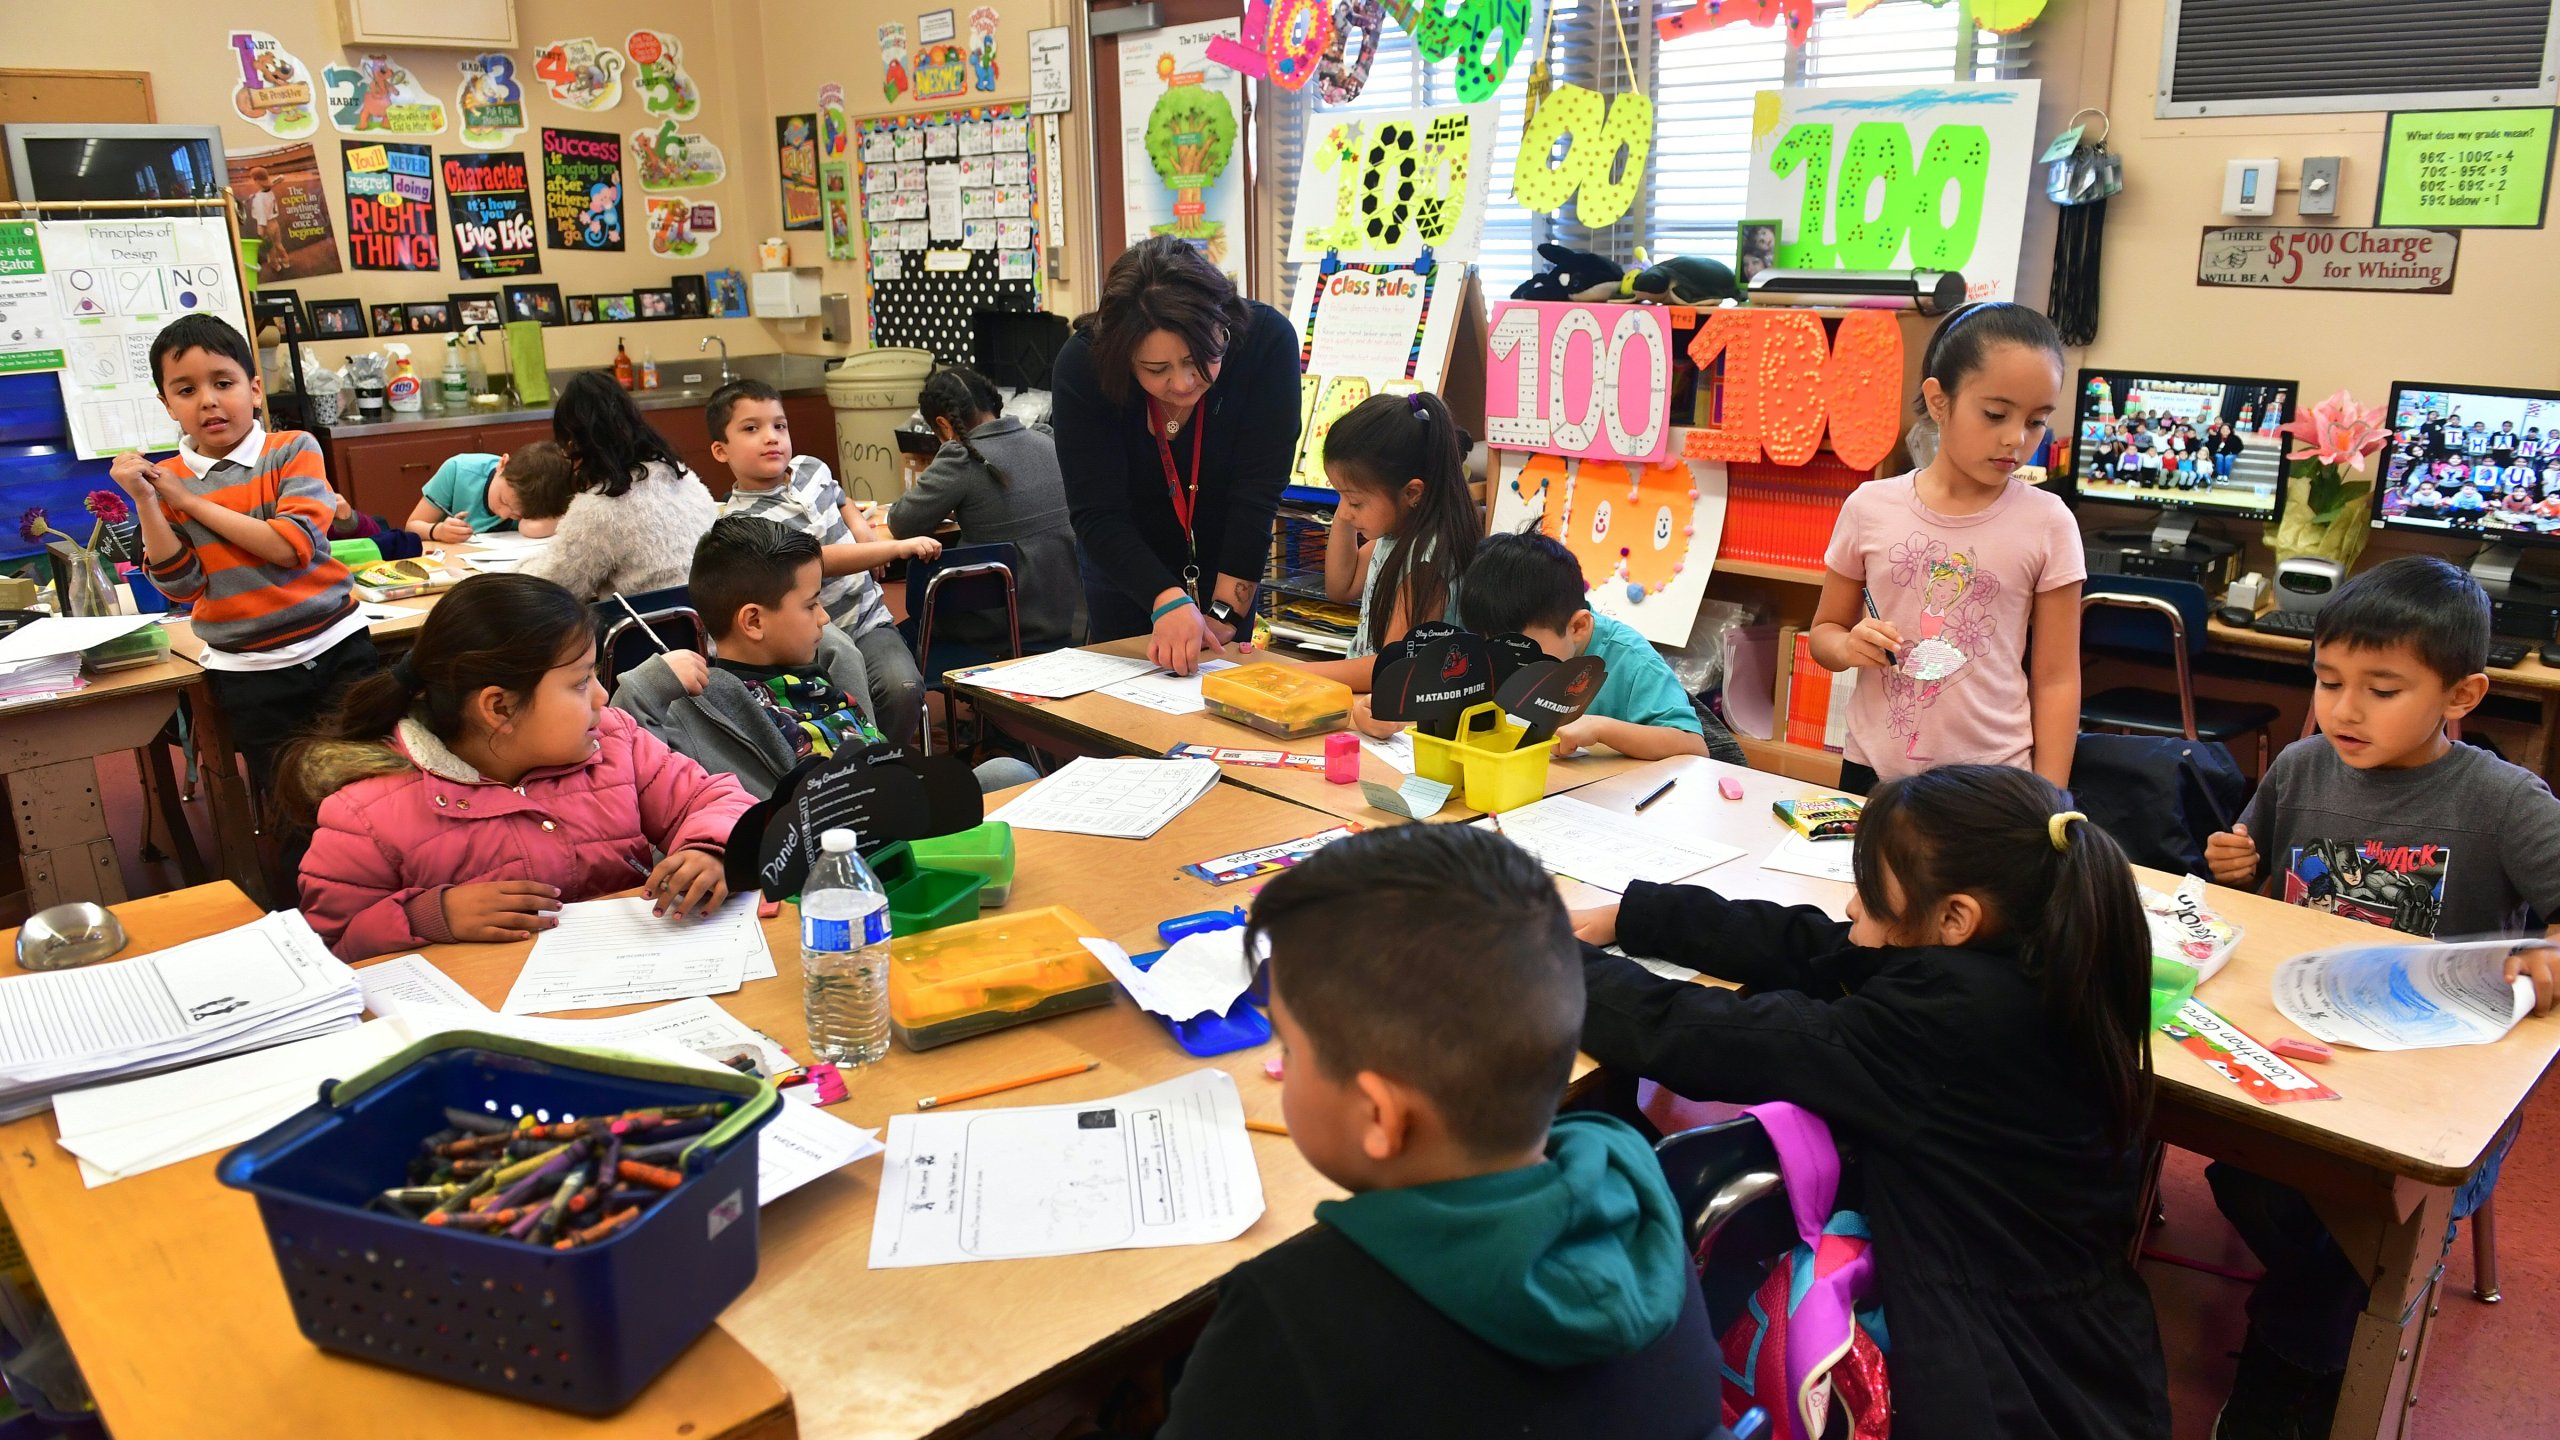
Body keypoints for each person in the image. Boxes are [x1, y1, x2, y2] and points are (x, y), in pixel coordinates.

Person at [1570, 764, 2171, 1440]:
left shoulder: (1944, 1024)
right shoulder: (2042, 955)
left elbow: (1702, 1037)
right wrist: (1637, 915)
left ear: (1954, 918)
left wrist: (1540, 963)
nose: (1853, 908)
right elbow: (1819, 947)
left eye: (1870, 892)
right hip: (2083, 1326)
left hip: (2000, 1367)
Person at [1155, 823, 1718, 1439]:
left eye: (1291, 1051)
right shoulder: (1636, 1192)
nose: (1284, 1068)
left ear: (1379, 1117)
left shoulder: (1292, 1312)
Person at [2200, 556, 2560, 1439]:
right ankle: (2323, 1316)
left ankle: (2289, 1371)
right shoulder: (2301, 767)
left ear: (2462, 695)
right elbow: (2256, 904)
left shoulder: (2506, 803)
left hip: (2433, 1086)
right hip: (2299, 1050)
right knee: (2250, 1176)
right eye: (2327, 681)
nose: (2344, 709)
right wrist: (2235, 867)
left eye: (2382, 688)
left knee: (2345, 1223)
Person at [287, 573, 754, 963]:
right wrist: (431, 916)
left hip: (630, 984)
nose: (602, 697)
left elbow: (713, 798)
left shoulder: (612, 740)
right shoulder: (366, 813)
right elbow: (330, 949)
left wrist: (711, 850)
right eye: (579, 683)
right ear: (500, 708)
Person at [1805, 302, 2084, 795]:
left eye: (2038, 421)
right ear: (1938, 400)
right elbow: (1825, 632)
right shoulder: (1870, 506)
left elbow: (2058, 679)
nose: (2016, 439)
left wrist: (2053, 799)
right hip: (1876, 774)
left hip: (1995, 780)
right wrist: (1849, 645)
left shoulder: (2049, 522)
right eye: (1995, 414)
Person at [111, 314, 378, 795]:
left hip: (335, 647)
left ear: (255, 389)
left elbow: (290, 547)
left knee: (371, 783)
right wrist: (148, 502)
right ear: (167, 404)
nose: (209, 400)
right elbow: (182, 585)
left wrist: (188, 501)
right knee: (291, 799)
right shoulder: (167, 479)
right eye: (186, 390)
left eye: (223, 382)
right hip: (250, 672)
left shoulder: (291, 449)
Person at [611, 518, 1037, 797]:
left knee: (1009, 774)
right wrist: (648, 684)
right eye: (811, 604)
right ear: (754, 622)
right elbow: (635, 767)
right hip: (825, 848)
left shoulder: (827, 663)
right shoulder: (699, 708)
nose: (825, 616)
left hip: (892, 807)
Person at [1052, 236, 1303, 675]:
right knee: (1128, 711)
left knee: (1222, 707)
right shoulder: (1084, 367)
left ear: (1222, 325)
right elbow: (1097, 512)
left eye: (1200, 358)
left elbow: (1257, 495)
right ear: (1122, 357)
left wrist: (1225, 613)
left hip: (1229, 552)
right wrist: (1164, 599)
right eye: (1156, 370)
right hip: (1125, 559)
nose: (1184, 383)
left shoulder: (1265, 343)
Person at [1358, 529, 1743, 765]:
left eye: (1521, 650)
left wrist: (1601, 727)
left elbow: (1694, 748)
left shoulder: (1630, 660)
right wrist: (1397, 714)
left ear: (1577, 627)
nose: (1506, 663)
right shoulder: (1495, 646)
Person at [707, 378, 935, 746]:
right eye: (752, 429)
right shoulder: (744, 521)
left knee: (902, 688)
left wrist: (864, 533)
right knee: (839, 714)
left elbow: (844, 500)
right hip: (807, 645)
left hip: (866, 620)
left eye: (779, 426)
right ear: (721, 451)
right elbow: (818, 560)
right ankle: (856, 772)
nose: (771, 437)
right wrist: (891, 549)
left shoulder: (812, 467)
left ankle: (886, 764)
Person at [888, 366, 1082, 653]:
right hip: (1065, 622)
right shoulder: (1046, 441)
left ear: (944, 425)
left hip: (998, 628)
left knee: (890, 637)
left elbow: (901, 522)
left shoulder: (963, 459)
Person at [1295, 391, 1480, 690]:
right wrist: (1346, 510)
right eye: (1339, 496)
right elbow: (1341, 587)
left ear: (1412, 494)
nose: (1344, 511)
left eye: (1354, 502)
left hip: (1397, 716)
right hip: (1370, 698)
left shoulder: (1426, 563)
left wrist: (1296, 673)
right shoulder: (1397, 535)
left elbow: (1393, 667)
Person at [519, 372, 717, 602]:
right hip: (712, 626)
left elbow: (554, 587)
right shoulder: (682, 476)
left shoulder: (600, 508)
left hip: (647, 631)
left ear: (574, 444)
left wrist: (514, 569)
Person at [405, 444, 568, 543]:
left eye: (517, 515)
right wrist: (438, 531)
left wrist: (528, 525)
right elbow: (411, 527)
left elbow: (543, 525)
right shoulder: (457, 470)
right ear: (502, 464)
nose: (504, 514)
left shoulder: (539, 496)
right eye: (503, 501)